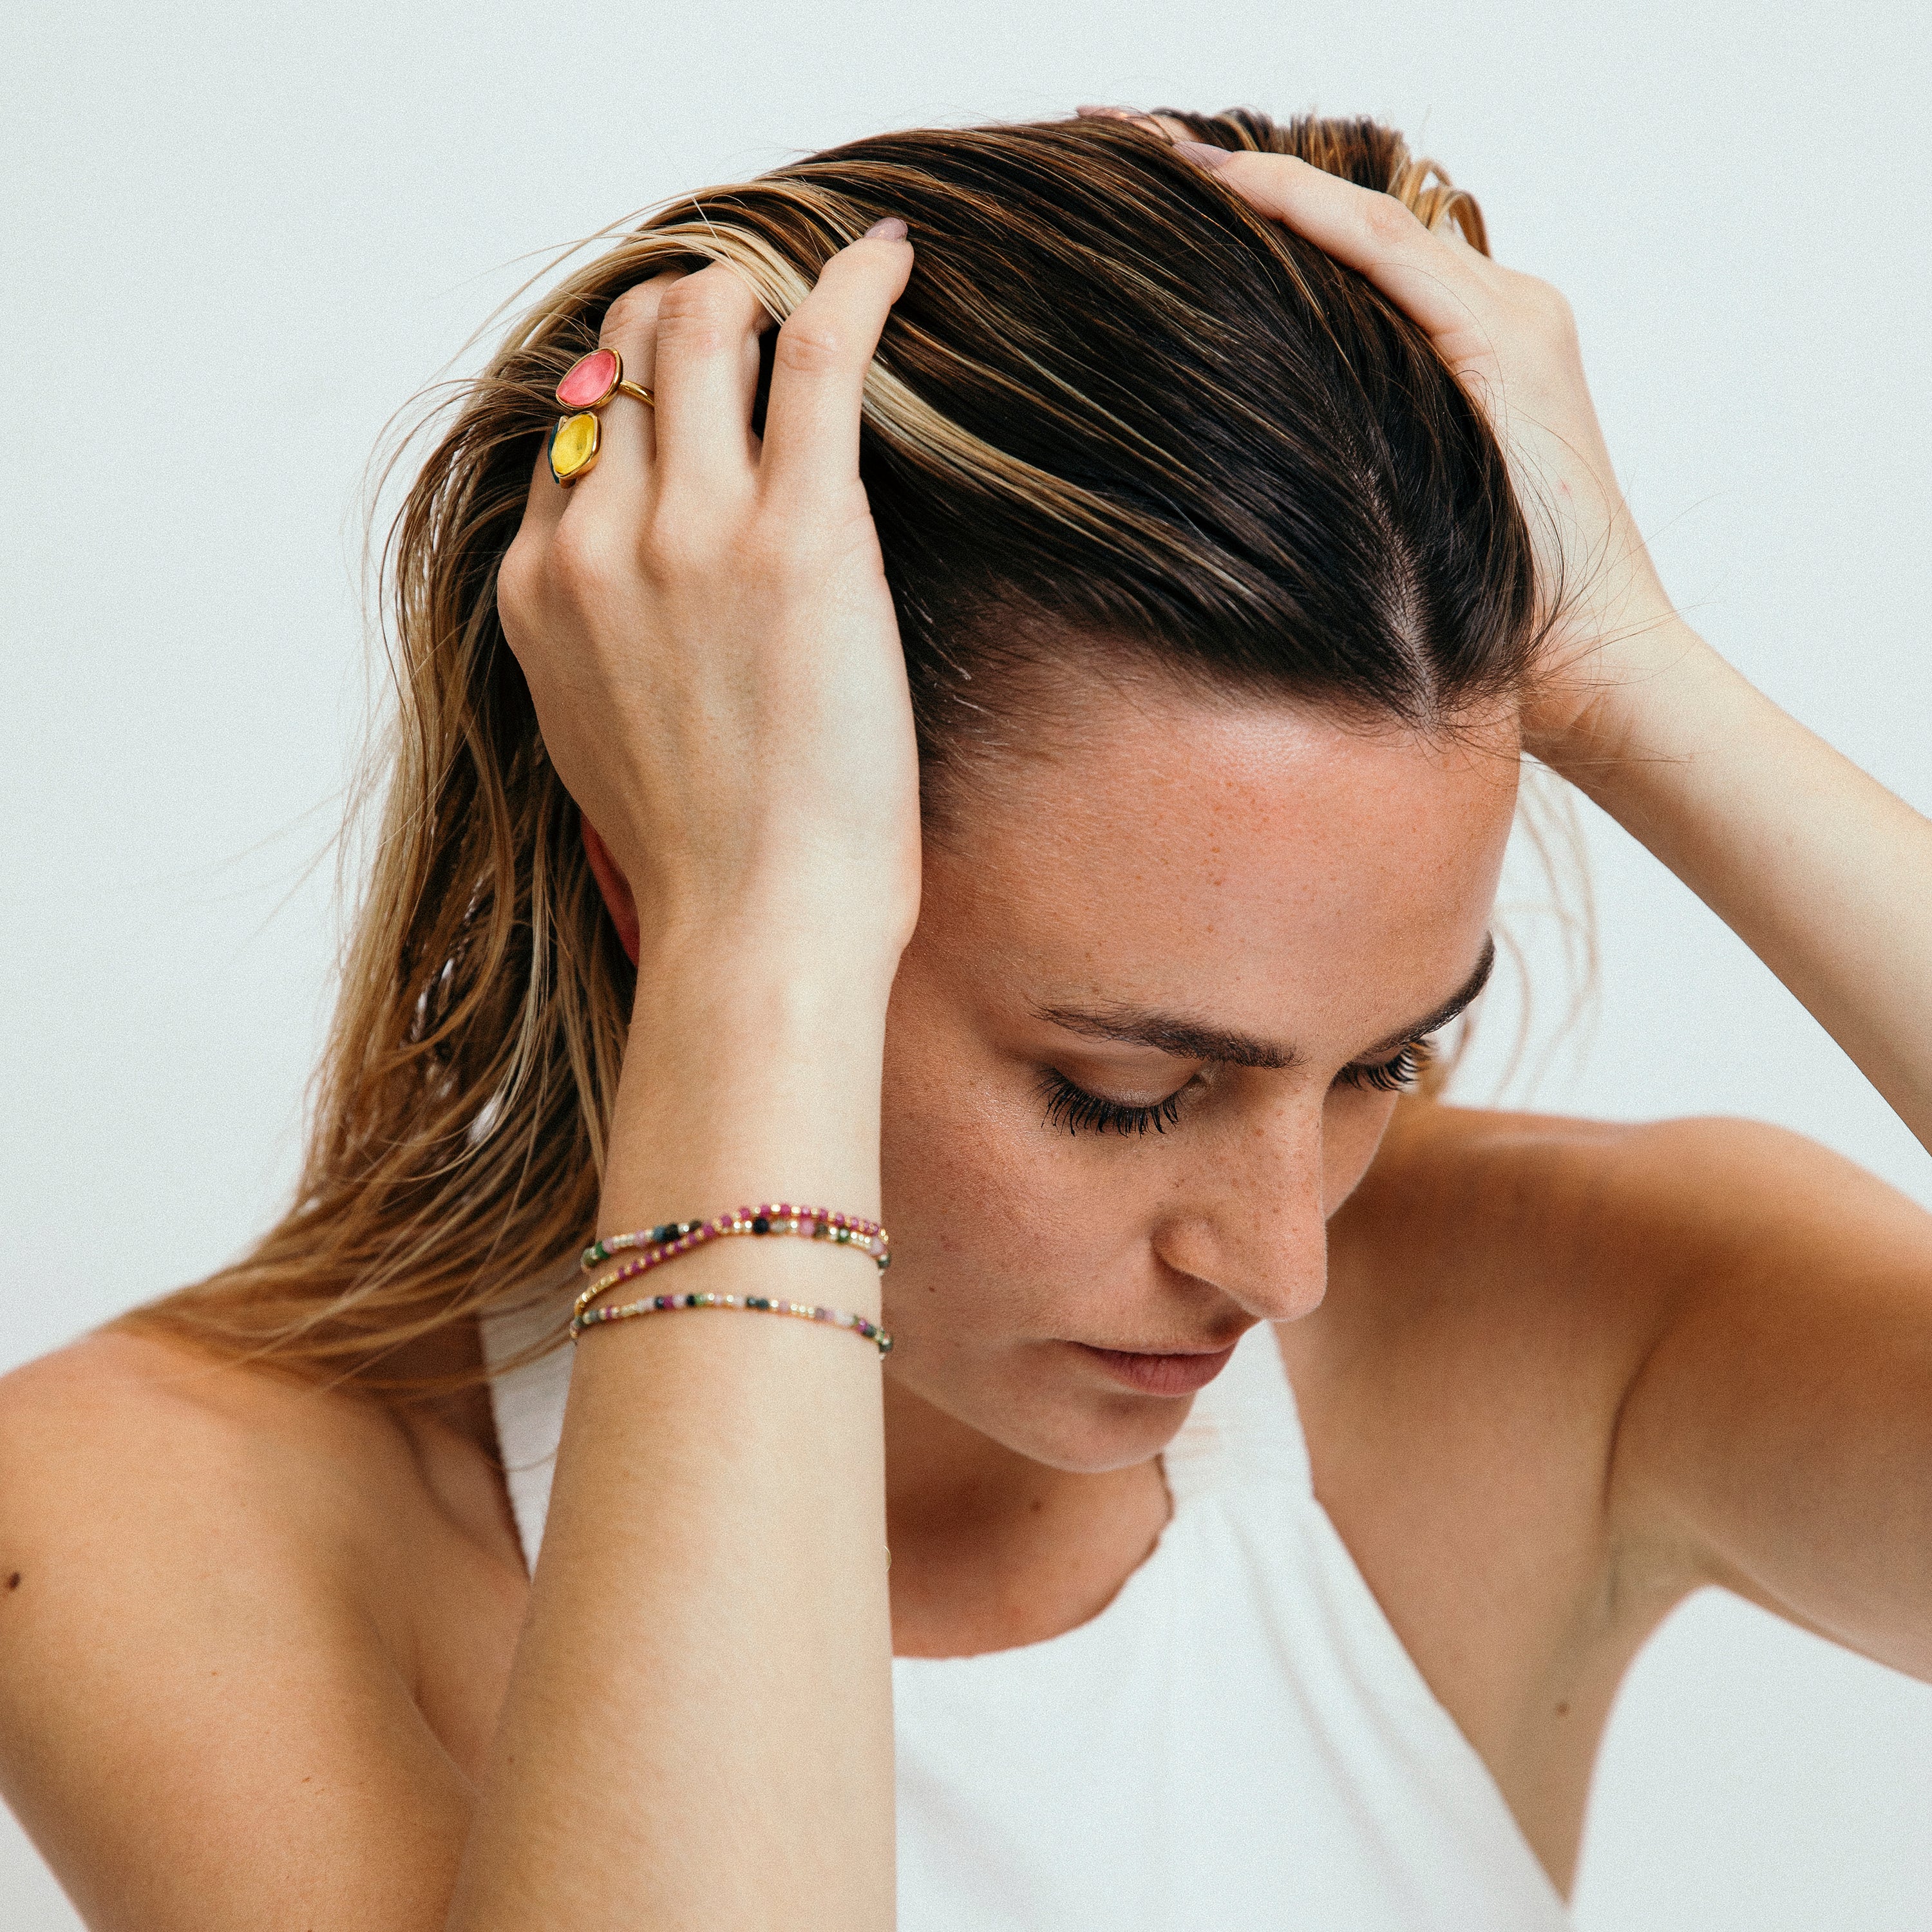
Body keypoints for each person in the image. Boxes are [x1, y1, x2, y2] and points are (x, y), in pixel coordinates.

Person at [1, 104, 1927, 1931]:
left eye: (1382, 1064)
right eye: (1124, 1089)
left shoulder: (1581, 1319)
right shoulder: (161, 1508)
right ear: (661, 868)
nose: (1284, 1264)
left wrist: (1641, 681)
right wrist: (753, 933)